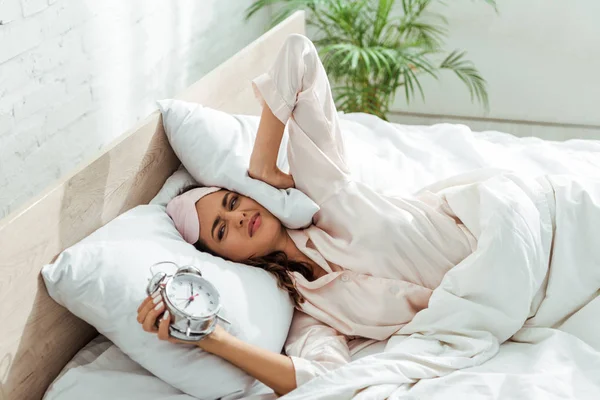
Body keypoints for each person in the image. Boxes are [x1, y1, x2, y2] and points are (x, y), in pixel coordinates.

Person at [136, 34, 477, 396]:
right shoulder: (306, 310)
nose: (237, 218)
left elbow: (299, 55)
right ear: (225, 259)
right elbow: (323, 381)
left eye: (233, 202)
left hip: (502, 230)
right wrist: (210, 337)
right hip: (492, 303)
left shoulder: (319, 192)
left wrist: (264, 166)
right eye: (221, 231)